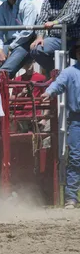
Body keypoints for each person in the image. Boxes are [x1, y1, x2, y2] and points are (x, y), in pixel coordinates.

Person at [40, 41, 80, 209]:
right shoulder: (69, 72)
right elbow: (58, 84)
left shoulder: (70, 72)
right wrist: (49, 92)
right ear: (77, 53)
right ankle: (71, 197)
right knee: (75, 157)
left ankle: (71, 197)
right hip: (76, 119)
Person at [30, 0, 80, 75]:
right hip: (55, 39)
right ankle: (57, 72)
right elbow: (41, 19)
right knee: (35, 49)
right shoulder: (48, 0)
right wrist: (39, 36)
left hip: (74, 40)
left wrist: (55, 22)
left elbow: (72, 17)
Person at [0, 0, 37, 78]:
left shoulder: (27, 5)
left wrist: (10, 47)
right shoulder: (2, 8)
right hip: (11, 44)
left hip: (26, 42)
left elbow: (28, 32)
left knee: (4, 70)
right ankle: (0, 86)